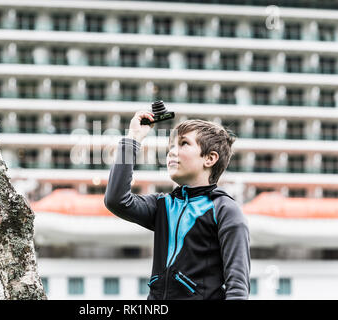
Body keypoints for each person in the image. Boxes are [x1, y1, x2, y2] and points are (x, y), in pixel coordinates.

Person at [104, 110, 251, 300]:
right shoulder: (163, 205)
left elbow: (237, 288)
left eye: (183, 144)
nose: (172, 151)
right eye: (171, 146)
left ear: (210, 158)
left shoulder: (225, 210)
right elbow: (116, 200)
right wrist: (133, 138)